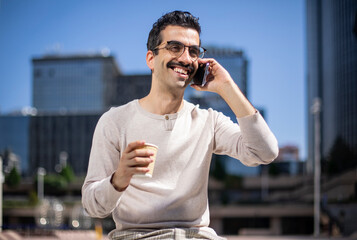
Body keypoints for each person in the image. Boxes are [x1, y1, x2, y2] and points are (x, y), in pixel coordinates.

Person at [82, 10, 278, 240]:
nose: (186, 58)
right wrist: (119, 179)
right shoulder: (115, 121)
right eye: (175, 47)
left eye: (193, 51)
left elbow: (265, 152)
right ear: (151, 59)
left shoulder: (208, 121)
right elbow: (92, 206)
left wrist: (227, 87)